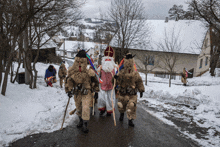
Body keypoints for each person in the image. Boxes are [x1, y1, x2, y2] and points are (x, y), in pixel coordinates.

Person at [65, 50, 99, 133]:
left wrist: (96, 91)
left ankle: (85, 125)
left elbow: (95, 81)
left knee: (86, 107)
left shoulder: (89, 72)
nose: (80, 64)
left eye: (82, 61)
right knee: (79, 108)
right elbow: (69, 81)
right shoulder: (72, 71)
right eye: (78, 61)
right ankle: (80, 120)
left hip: (87, 91)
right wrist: (69, 90)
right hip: (77, 92)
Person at [113, 53, 144, 127]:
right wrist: (115, 79)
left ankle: (130, 120)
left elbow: (139, 81)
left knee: (131, 106)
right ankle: (121, 114)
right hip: (123, 93)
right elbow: (115, 82)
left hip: (132, 94)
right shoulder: (121, 73)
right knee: (121, 106)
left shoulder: (135, 73)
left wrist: (141, 90)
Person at [97, 46, 118, 117]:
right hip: (103, 86)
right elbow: (98, 75)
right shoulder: (101, 67)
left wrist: (116, 80)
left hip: (110, 86)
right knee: (101, 99)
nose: (108, 61)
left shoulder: (115, 67)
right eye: (106, 60)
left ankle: (109, 111)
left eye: (109, 60)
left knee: (110, 99)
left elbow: (117, 76)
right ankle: (102, 110)